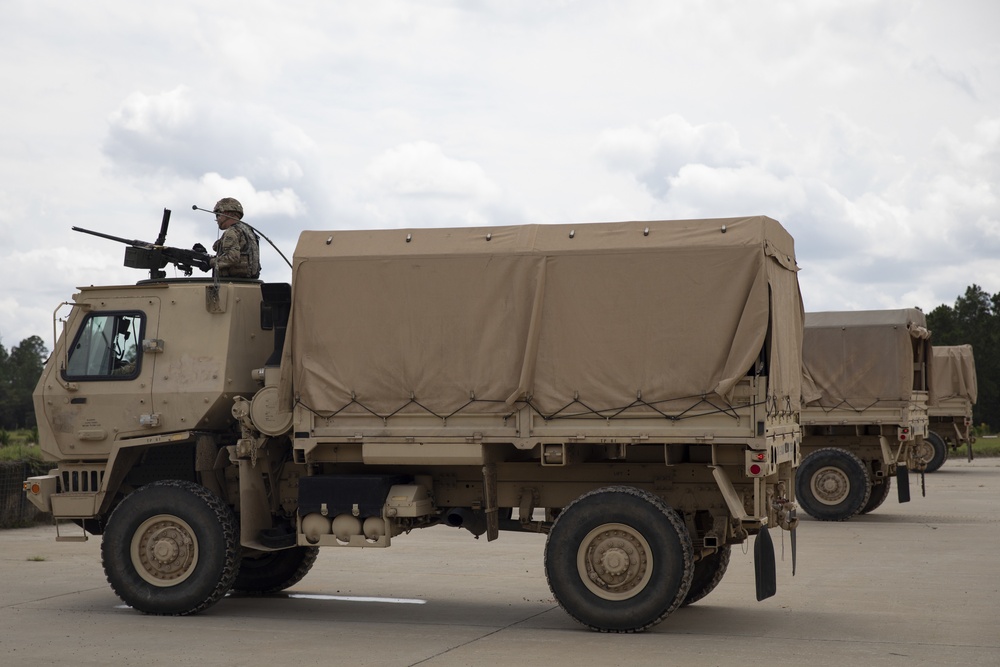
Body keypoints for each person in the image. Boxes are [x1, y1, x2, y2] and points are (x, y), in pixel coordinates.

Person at [210, 197, 261, 278]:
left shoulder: (232, 231)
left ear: (228, 213)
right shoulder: (248, 230)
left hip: (231, 282)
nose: (217, 219)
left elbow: (232, 258)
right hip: (249, 282)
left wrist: (211, 262)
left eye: (218, 214)